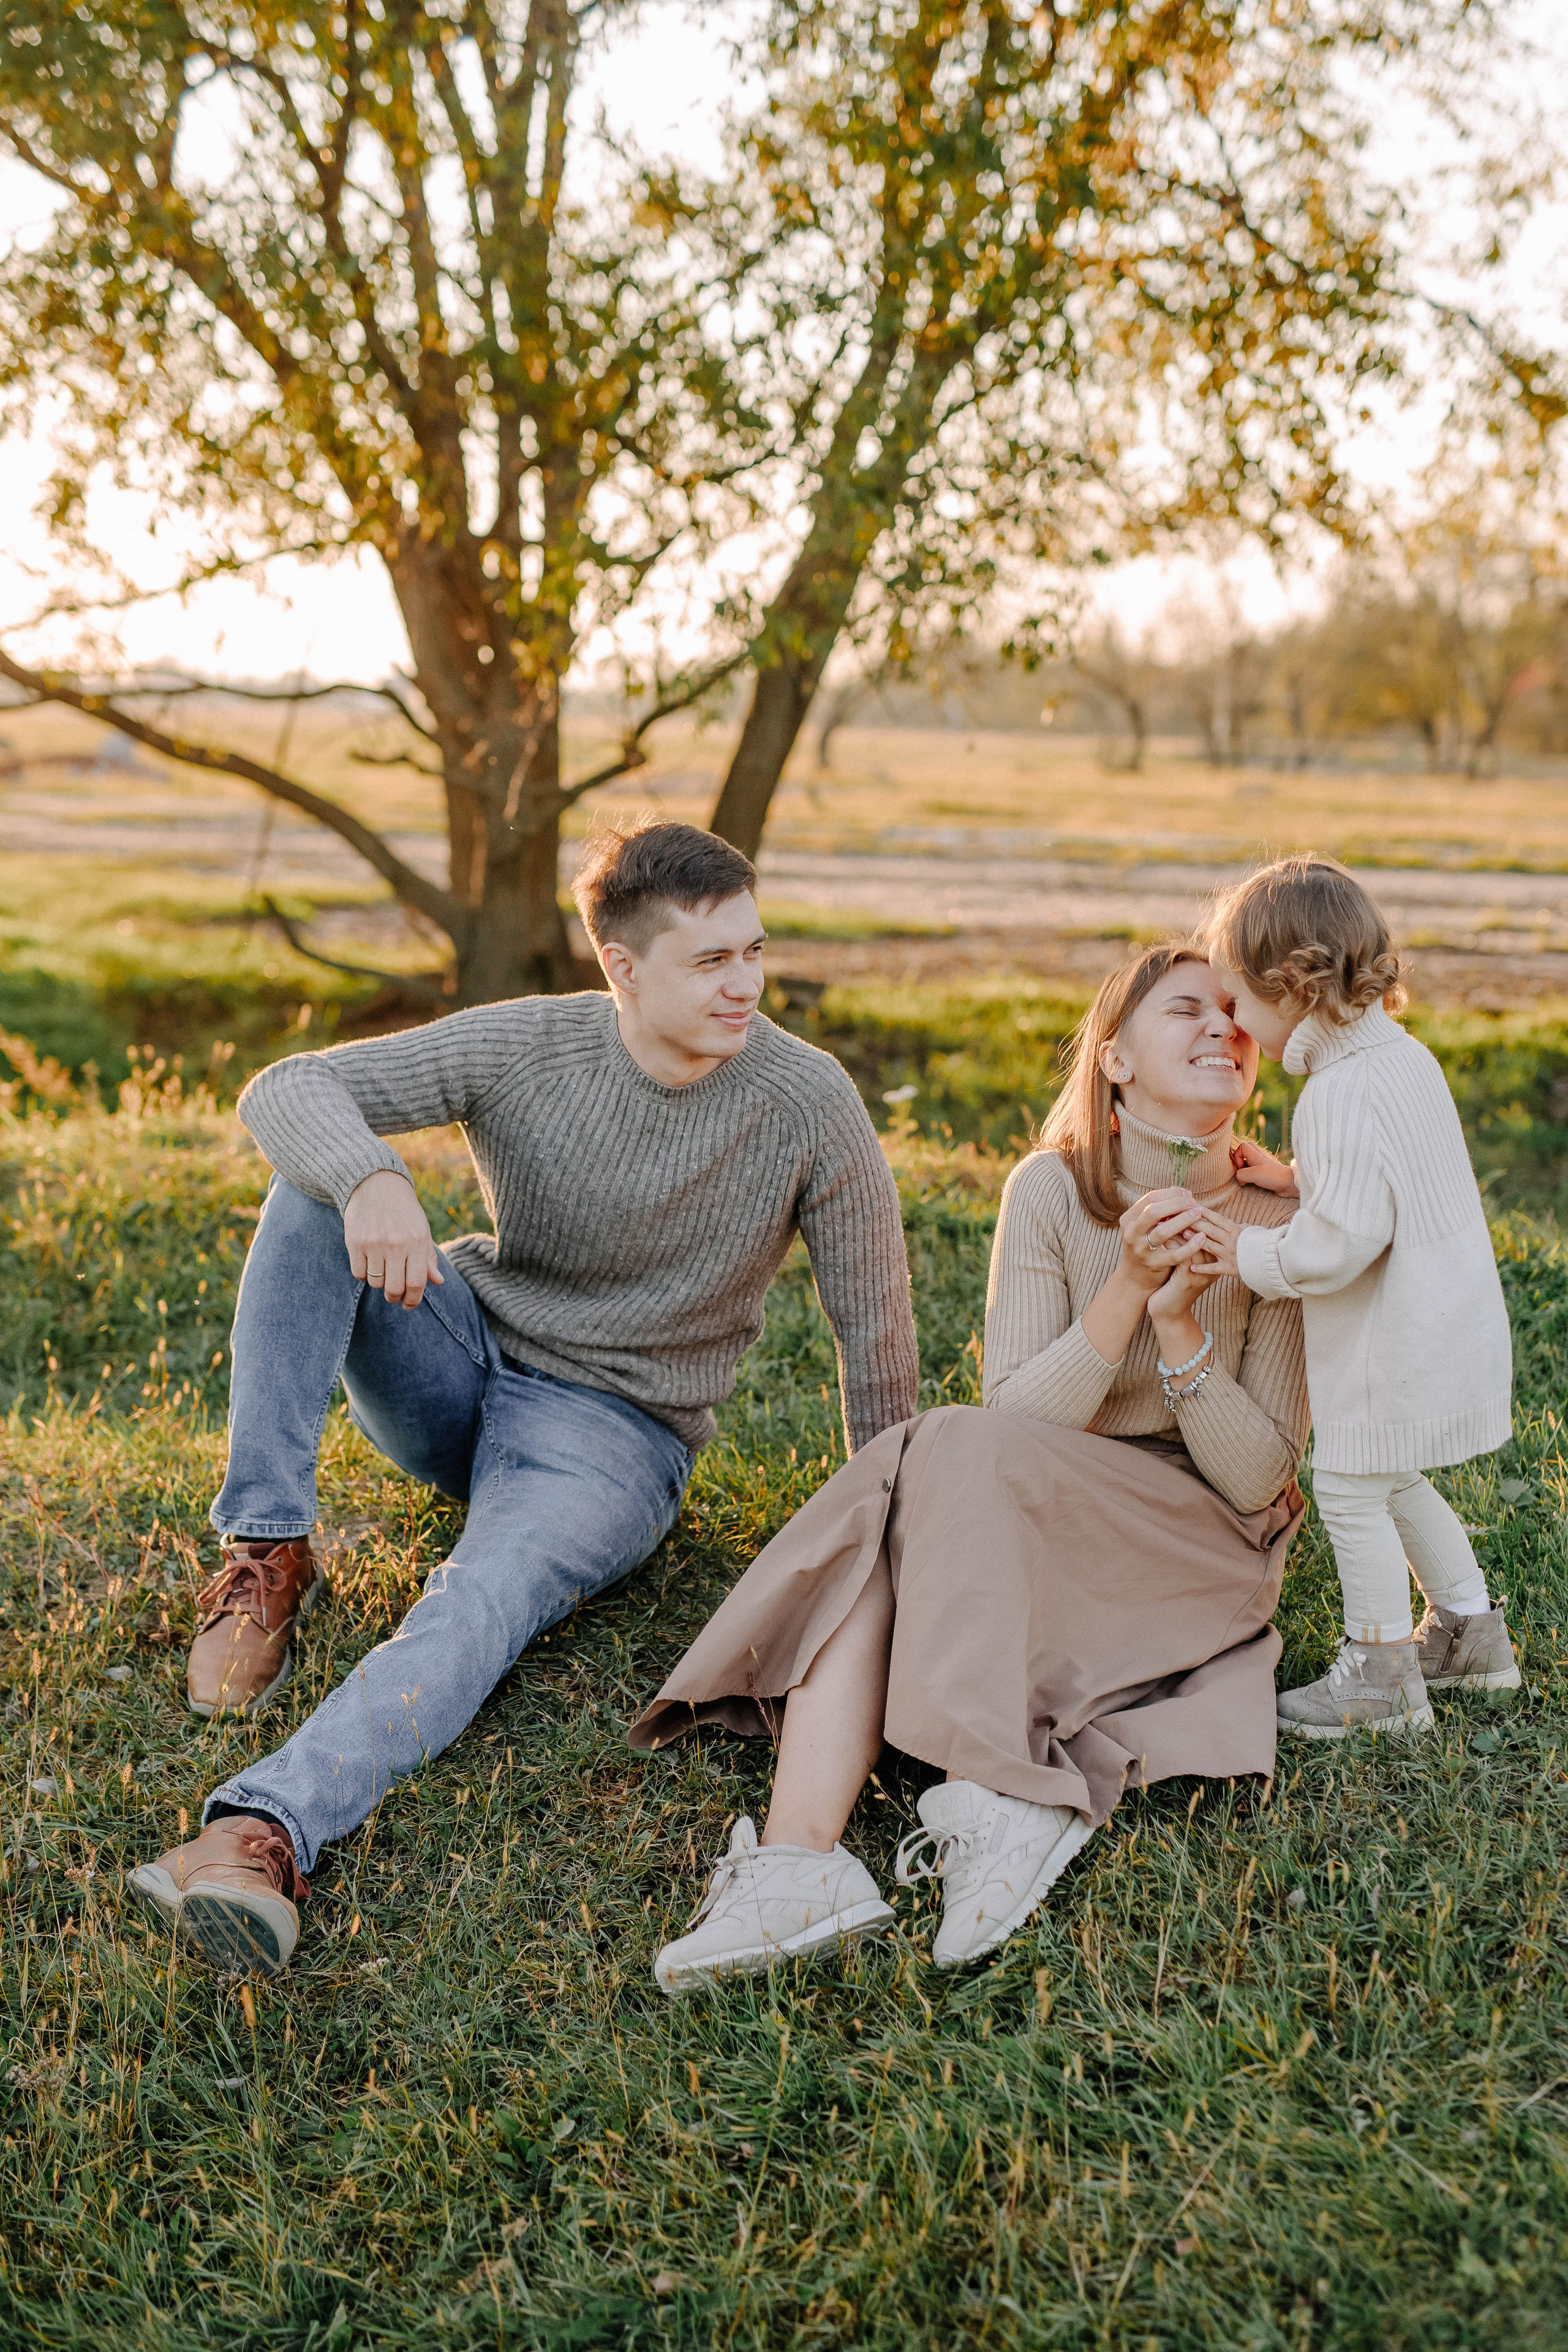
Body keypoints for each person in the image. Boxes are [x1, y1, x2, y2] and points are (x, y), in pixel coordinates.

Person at [131, 822, 919, 1975]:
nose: (746, 984)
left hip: (614, 1435)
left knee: (481, 1600)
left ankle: (259, 1832)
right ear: (623, 969)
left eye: (754, 950)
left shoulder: (807, 1098)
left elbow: (875, 1330)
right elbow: (287, 1087)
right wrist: (371, 1177)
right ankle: (269, 1552)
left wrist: (894, 1537)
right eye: (712, 963)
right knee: (310, 1192)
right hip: (463, 1352)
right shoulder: (532, 1043)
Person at [630, 944, 1310, 1992]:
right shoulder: (1047, 1193)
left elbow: (1259, 1481)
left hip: (1193, 1539)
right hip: (1043, 1503)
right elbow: (1019, 1422)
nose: (1225, 1028)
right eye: (1188, 1010)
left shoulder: (1282, 1222)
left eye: (1236, 1015)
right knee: (931, 1477)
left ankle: (994, 1795)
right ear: (1117, 1059)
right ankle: (801, 1863)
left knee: (920, 1466)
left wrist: (1183, 1340)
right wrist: (1128, 1288)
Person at [1196, 854, 1518, 1739]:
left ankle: (1378, 1676)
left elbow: (1341, 1248)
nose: (1232, 1022)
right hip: (1446, 1320)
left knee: (1346, 1488)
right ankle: (1470, 1635)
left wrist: (1248, 1249)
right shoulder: (1399, 1059)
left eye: (1236, 1001)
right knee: (1393, 1477)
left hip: (1392, 1335)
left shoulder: (1334, 1091)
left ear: (1290, 987)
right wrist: (1299, 1181)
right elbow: (1384, 1184)